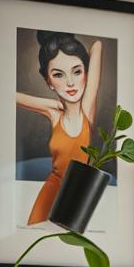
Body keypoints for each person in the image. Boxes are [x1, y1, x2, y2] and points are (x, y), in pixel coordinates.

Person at [16, 31, 102, 225]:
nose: (70, 82)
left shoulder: (86, 110)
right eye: (58, 75)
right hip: (52, 188)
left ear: (87, 74)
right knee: (32, 239)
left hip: (77, 192)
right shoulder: (54, 114)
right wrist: (49, 103)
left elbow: (97, 45)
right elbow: (7, 93)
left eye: (77, 71)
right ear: (48, 81)